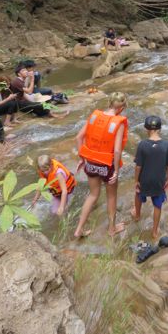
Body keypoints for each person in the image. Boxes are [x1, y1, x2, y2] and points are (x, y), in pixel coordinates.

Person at [74, 92, 128, 238]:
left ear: (109, 103)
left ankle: (79, 229)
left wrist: (82, 158)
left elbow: (78, 137)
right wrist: (116, 170)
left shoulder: (94, 116)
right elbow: (117, 150)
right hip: (107, 165)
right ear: (122, 108)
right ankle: (111, 229)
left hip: (91, 162)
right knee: (111, 196)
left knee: (93, 195)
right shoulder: (118, 122)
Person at [131, 115, 168, 240]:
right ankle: (155, 231)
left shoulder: (142, 145)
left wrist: (136, 181)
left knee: (138, 194)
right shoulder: (166, 145)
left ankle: (137, 215)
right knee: (157, 205)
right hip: (159, 181)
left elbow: (138, 166)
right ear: (160, 129)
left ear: (146, 129)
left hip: (144, 180)